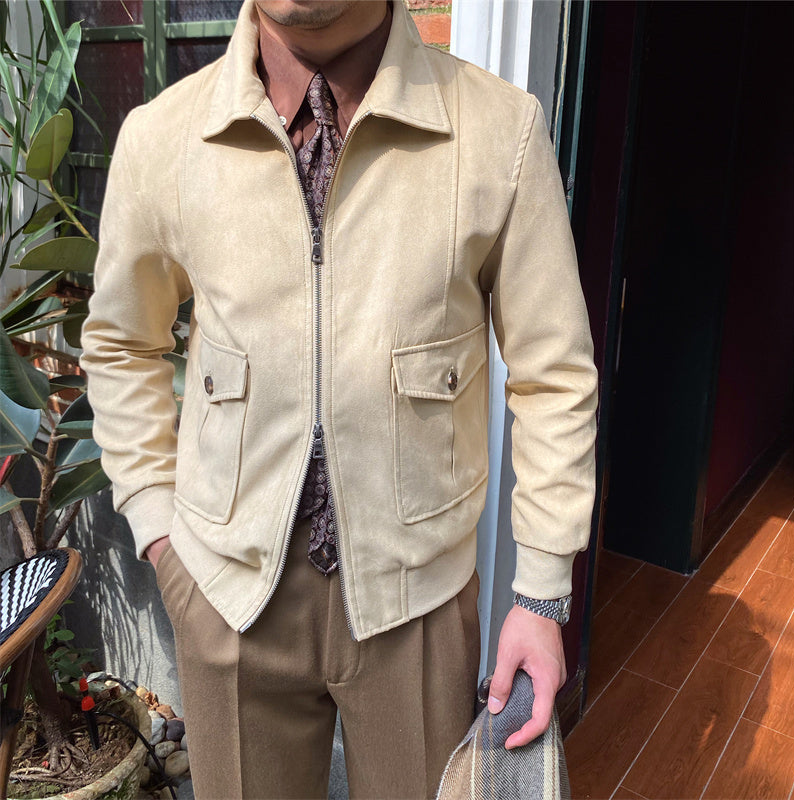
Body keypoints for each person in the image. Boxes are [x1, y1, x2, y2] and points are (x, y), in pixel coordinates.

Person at [81, 1, 597, 797]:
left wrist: (541, 593)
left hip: (418, 604)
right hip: (226, 596)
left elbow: (554, 371)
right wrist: (159, 532)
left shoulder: (499, 132)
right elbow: (122, 343)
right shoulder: (163, 138)